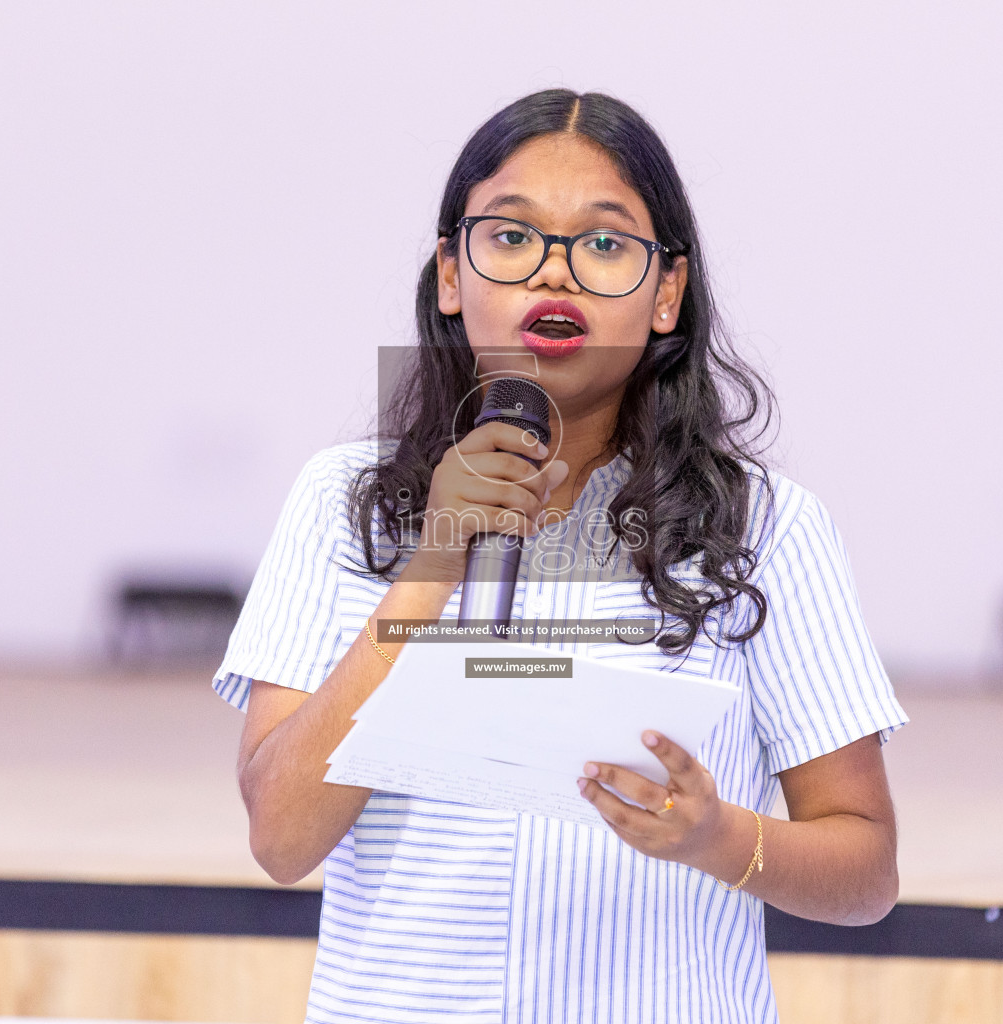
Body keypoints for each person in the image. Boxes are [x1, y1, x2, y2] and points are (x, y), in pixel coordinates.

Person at [213, 89, 909, 1024]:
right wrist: (432, 568)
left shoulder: (765, 525)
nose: (557, 275)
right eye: (511, 237)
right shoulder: (347, 504)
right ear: (451, 275)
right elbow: (281, 839)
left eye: (606, 243)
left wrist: (715, 837)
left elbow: (864, 873)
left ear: (667, 294)